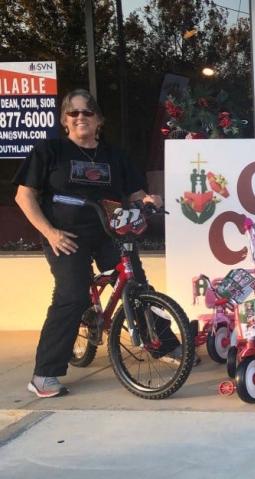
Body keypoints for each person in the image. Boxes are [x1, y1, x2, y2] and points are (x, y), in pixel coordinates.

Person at [13, 89, 166, 398]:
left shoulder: (115, 156)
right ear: (64, 121)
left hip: (111, 231)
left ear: (99, 120)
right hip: (66, 234)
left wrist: (149, 200)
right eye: (73, 113)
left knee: (137, 283)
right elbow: (24, 196)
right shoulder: (50, 150)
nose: (80, 117)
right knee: (72, 294)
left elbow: (137, 194)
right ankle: (45, 374)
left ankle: (164, 343)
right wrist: (51, 232)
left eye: (87, 112)